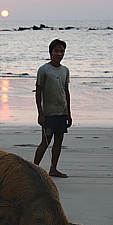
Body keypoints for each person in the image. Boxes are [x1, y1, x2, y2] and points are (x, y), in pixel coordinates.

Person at [33, 39, 72, 178]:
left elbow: (66, 91)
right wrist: (40, 113)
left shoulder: (65, 70)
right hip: (48, 113)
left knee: (59, 140)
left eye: (62, 51)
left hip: (62, 112)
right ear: (51, 52)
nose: (59, 53)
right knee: (46, 141)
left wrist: (69, 113)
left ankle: (53, 168)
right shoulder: (44, 70)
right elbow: (38, 92)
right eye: (56, 51)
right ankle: (34, 169)